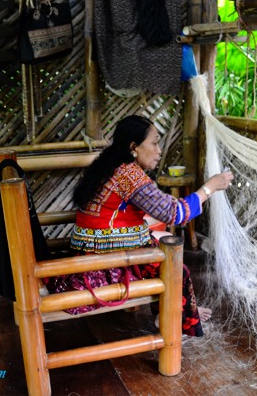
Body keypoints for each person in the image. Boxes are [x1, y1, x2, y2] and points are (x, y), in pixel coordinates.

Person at [46, 115, 234, 337]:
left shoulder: (109, 165)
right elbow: (175, 213)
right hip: (105, 264)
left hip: (90, 252)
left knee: (161, 235)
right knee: (176, 268)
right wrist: (210, 187)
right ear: (133, 147)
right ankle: (176, 314)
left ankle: (176, 308)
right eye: (154, 143)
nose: (159, 150)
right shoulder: (129, 175)